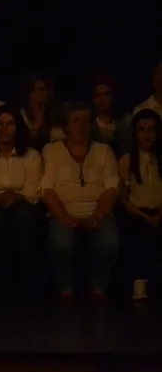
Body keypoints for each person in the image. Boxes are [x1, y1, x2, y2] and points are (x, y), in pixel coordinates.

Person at [41, 103, 119, 302]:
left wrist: (98, 216)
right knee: (61, 242)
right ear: (66, 126)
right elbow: (47, 190)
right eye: (76, 121)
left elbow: (111, 188)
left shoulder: (104, 151)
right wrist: (65, 218)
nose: (81, 126)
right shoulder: (51, 151)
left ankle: (99, 288)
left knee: (108, 241)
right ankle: (65, 288)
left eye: (86, 121)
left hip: (99, 213)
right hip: (63, 213)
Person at [0, 104, 44, 300]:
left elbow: (33, 194)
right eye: (0, 124)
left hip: (23, 206)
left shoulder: (31, 155)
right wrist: (4, 197)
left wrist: (13, 197)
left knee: (23, 216)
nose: (4, 129)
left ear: (18, 128)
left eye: (10, 124)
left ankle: (27, 285)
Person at [117, 109, 162, 301]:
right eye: (141, 130)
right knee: (140, 229)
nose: (147, 135)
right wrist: (145, 216)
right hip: (136, 212)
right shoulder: (127, 161)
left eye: (151, 129)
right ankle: (140, 283)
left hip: (159, 211)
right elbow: (124, 200)